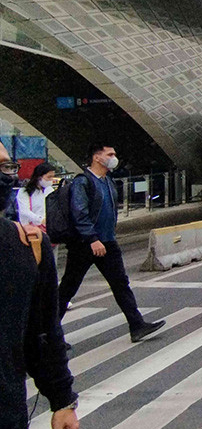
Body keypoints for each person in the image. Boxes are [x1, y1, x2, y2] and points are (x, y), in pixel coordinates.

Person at [0, 142, 79, 429]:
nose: (4, 176)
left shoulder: (28, 247)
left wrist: (62, 401)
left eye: (6, 167)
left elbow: (43, 335)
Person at [57, 144, 164, 342]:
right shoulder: (83, 182)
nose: (114, 158)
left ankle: (137, 325)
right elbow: (79, 213)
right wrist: (92, 239)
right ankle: (48, 334)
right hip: (85, 244)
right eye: (110, 154)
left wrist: (106, 238)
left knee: (121, 284)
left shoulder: (108, 181)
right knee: (68, 288)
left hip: (107, 242)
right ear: (97, 157)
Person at [16, 162, 56, 230]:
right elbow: (24, 211)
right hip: (29, 229)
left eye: (52, 177)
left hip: (48, 228)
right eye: (49, 177)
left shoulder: (50, 190)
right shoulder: (24, 192)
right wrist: (41, 220)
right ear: (39, 177)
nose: (51, 180)